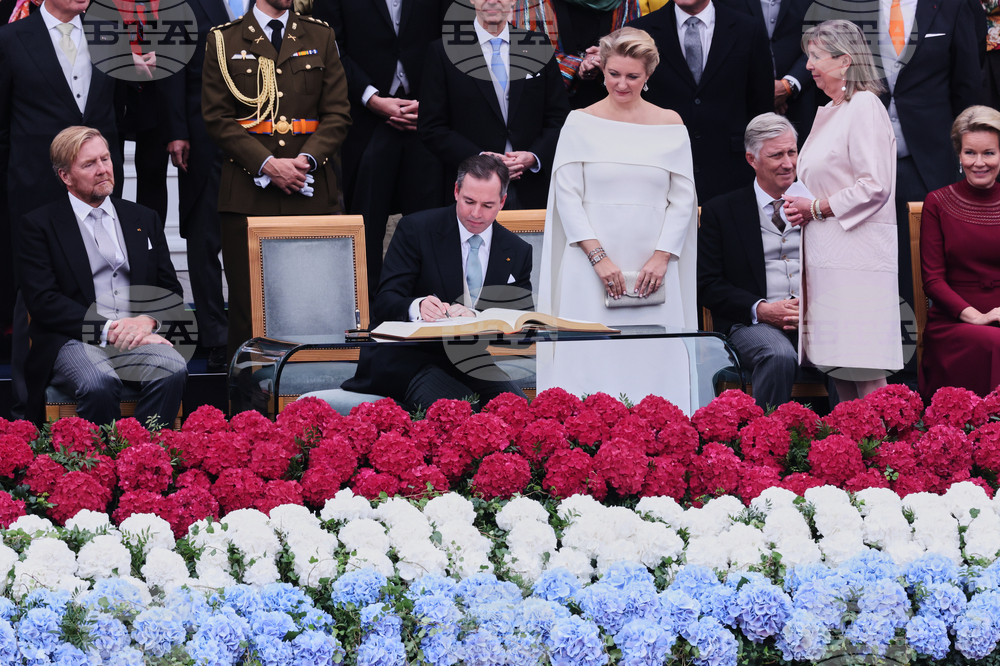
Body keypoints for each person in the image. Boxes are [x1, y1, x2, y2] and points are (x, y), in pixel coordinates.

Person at [537, 27, 698, 402]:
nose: (621, 84)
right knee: (589, 363)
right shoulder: (579, 121)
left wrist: (662, 258)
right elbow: (568, 198)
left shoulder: (671, 124)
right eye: (613, 74)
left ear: (648, 75)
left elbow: (683, 199)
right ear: (602, 69)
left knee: (654, 364)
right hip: (588, 267)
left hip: (655, 269)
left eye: (632, 76)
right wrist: (599, 259)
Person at [201, 0, 351, 363]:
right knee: (249, 308)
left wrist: (305, 161)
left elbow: (338, 113)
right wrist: (267, 164)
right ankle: (248, 407)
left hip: (311, 189)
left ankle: (318, 398)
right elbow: (217, 117)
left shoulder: (320, 34)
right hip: (250, 195)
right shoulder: (224, 40)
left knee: (317, 301)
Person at [0, 0, 124, 417]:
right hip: (34, 187)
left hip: (96, 186)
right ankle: (27, 406)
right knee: (31, 292)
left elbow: (113, 112)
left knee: (101, 273)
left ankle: (97, 373)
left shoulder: (109, 35)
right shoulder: (11, 39)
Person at [18, 127, 187, 426]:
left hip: (135, 336)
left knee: (172, 367)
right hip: (72, 339)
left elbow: (170, 291)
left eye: (105, 159)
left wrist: (146, 321)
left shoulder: (143, 218)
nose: (102, 170)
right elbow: (44, 301)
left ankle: (142, 458)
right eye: (89, 164)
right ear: (65, 177)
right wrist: (108, 329)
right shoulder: (39, 226)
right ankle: (99, 467)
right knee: (99, 381)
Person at [341, 155, 534, 410]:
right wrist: (417, 306)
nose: (476, 213)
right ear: (456, 191)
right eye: (469, 201)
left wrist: (478, 316)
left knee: (517, 410)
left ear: (502, 202)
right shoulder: (416, 229)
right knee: (460, 412)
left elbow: (523, 328)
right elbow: (385, 301)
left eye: (487, 205)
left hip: (467, 359)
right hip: (403, 358)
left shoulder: (517, 250)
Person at [784, 20, 903, 401]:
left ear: (846, 61)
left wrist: (815, 207)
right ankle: (854, 455)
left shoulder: (864, 105)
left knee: (863, 368)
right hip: (828, 260)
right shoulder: (834, 110)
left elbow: (875, 185)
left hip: (857, 263)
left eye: (817, 57)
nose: (809, 66)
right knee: (840, 366)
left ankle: (888, 457)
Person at [311, 0, 449, 302]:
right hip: (363, 120)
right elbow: (330, 47)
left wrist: (431, 99)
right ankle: (367, 314)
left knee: (430, 222)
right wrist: (372, 98)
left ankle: (427, 310)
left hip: (424, 118)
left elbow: (450, 36)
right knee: (366, 225)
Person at [699, 113, 827, 410]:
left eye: (792, 152)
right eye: (776, 155)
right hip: (751, 323)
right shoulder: (722, 211)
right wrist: (762, 309)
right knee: (777, 354)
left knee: (841, 348)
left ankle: (842, 444)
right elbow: (708, 284)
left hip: (818, 319)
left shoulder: (821, 205)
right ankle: (767, 444)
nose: (788, 163)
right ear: (751, 159)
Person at [418, 0, 571, 210]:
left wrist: (534, 157)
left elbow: (559, 118)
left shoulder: (537, 46)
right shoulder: (443, 51)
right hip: (472, 188)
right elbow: (432, 127)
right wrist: (480, 159)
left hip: (532, 186)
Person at [627, 0, 773, 203]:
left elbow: (761, 107)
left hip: (732, 172)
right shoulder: (639, 31)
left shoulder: (748, 28)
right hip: (661, 172)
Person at [157, 0, 233, 372]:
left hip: (266, 144)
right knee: (204, 241)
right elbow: (171, 69)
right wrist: (176, 132)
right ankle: (218, 338)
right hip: (203, 140)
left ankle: (255, 333)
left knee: (253, 240)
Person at [919, 105, 1000, 401]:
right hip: (954, 321)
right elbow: (933, 280)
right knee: (994, 342)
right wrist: (976, 316)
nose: (979, 163)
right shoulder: (937, 202)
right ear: (959, 154)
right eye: (970, 153)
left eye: (989, 153)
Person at [716, 0, 816, 140]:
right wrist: (761, 93)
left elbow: (825, 35)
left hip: (801, 103)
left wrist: (789, 85)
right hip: (740, 107)